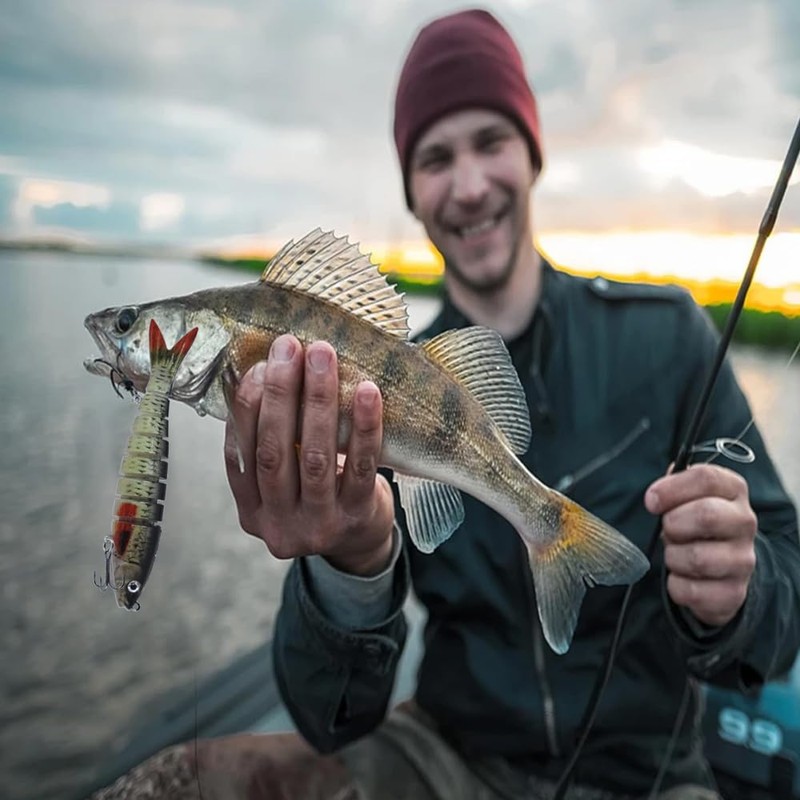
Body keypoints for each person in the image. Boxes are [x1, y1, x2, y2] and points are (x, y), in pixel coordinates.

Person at [89, 8, 800, 800]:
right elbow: (333, 717)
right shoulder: (357, 386)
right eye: (435, 158)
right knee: (169, 783)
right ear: (413, 192)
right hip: (450, 755)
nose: (467, 185)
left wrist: (742, 591)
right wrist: (349, 565)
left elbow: (784, 609)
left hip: (652, 775)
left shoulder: (669, 336)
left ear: (531, 155)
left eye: (490, 142)